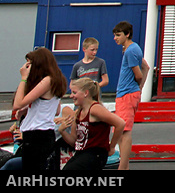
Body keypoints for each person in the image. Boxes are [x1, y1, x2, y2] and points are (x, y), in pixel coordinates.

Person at [13, 47, 67, 175]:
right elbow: (55, 109)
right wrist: (27, 109)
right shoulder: (56, 80)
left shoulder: (47, 80)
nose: (28, 67)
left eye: (30, 64)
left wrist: (23, 78)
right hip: (43, 135)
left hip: (36, 136)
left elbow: (17, 103)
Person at [59, 78, 124, 176]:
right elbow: (74, 142)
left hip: (95, 153)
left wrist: (111, 147)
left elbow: (120, 124)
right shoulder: (78, 113)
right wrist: (62, 131)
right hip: (81, 153)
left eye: (74, 92)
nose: (71, 96)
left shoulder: (95, 109)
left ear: (86, 93)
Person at [111, 21, 149, 171]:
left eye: (118, 35)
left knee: (124, 132)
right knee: (120, 132)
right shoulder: (132, 49)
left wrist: (139, 87)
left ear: (127, 34)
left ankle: (122, 169)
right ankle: (124, 167)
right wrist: (139, 89)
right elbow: (145, 66)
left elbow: (139, 74)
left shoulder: (130, 51)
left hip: (127, 94)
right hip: (127, 93)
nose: (115, 38)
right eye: (114, 35)